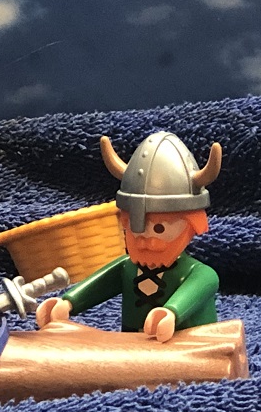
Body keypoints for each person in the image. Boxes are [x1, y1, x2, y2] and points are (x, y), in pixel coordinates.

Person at [36, 132, 222, 343]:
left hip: (187, 344)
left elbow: (193, 291)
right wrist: (68, 302)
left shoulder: (200, 274)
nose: (145, 239)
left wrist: (171, 312)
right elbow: (101, 283)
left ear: (193, 223)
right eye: (135, 228)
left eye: (159, 228)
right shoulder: (128, 267)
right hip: (131, 346)